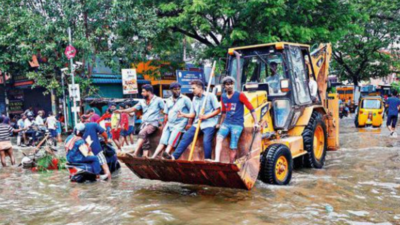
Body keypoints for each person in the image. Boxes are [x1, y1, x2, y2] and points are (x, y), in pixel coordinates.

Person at [170, 79, 221, 160]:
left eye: (193, 88)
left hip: (209, 123)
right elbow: (193, 114)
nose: (192, 90)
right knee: (186, 137)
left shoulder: (210, 96)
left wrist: (205, 116)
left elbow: (218, 110)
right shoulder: (194, 98)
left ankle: (208, 160)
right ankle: (174, 157)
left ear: (200, 88)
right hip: (197, 123)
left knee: (206, 141)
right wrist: (184, 114)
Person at [214, 77, 259, 163]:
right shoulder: (223, 96)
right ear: (224, 86)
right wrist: (220, 123)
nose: (230, 86)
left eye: (231, 84)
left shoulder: (240, 95)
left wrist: (256, 123)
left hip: (237, 124)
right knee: (219, 138)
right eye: (227, 84)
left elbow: (251, 108)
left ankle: (231, 164)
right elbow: (223, 112)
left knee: (233, 145)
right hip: (226, 123)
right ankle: (216, 160)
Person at [115, 84, 165, 157]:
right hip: (144, 123)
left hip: (153, 123)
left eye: (143, 92)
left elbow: (165, 111)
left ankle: (135, 153)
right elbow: (133, 109)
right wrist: (121, 111)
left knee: (142, 133)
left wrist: (162, 121)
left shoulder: (158, 100)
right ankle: (145, 156)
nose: (141, 93)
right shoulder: (142, 101)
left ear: (149, 92)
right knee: (145, 139)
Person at [151, 83, 192, 159]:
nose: (177, 91)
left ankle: (165, 156)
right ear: (171, 90)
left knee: (172, 141)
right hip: (169, 123)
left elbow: (192, 112)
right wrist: (164, 124)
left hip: (180, 123)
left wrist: (189, 123)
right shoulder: (168, 100)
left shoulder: (185, 99)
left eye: (178, 89)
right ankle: (153, 156)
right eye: (175, 89)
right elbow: (166, 114)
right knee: (162, 141)